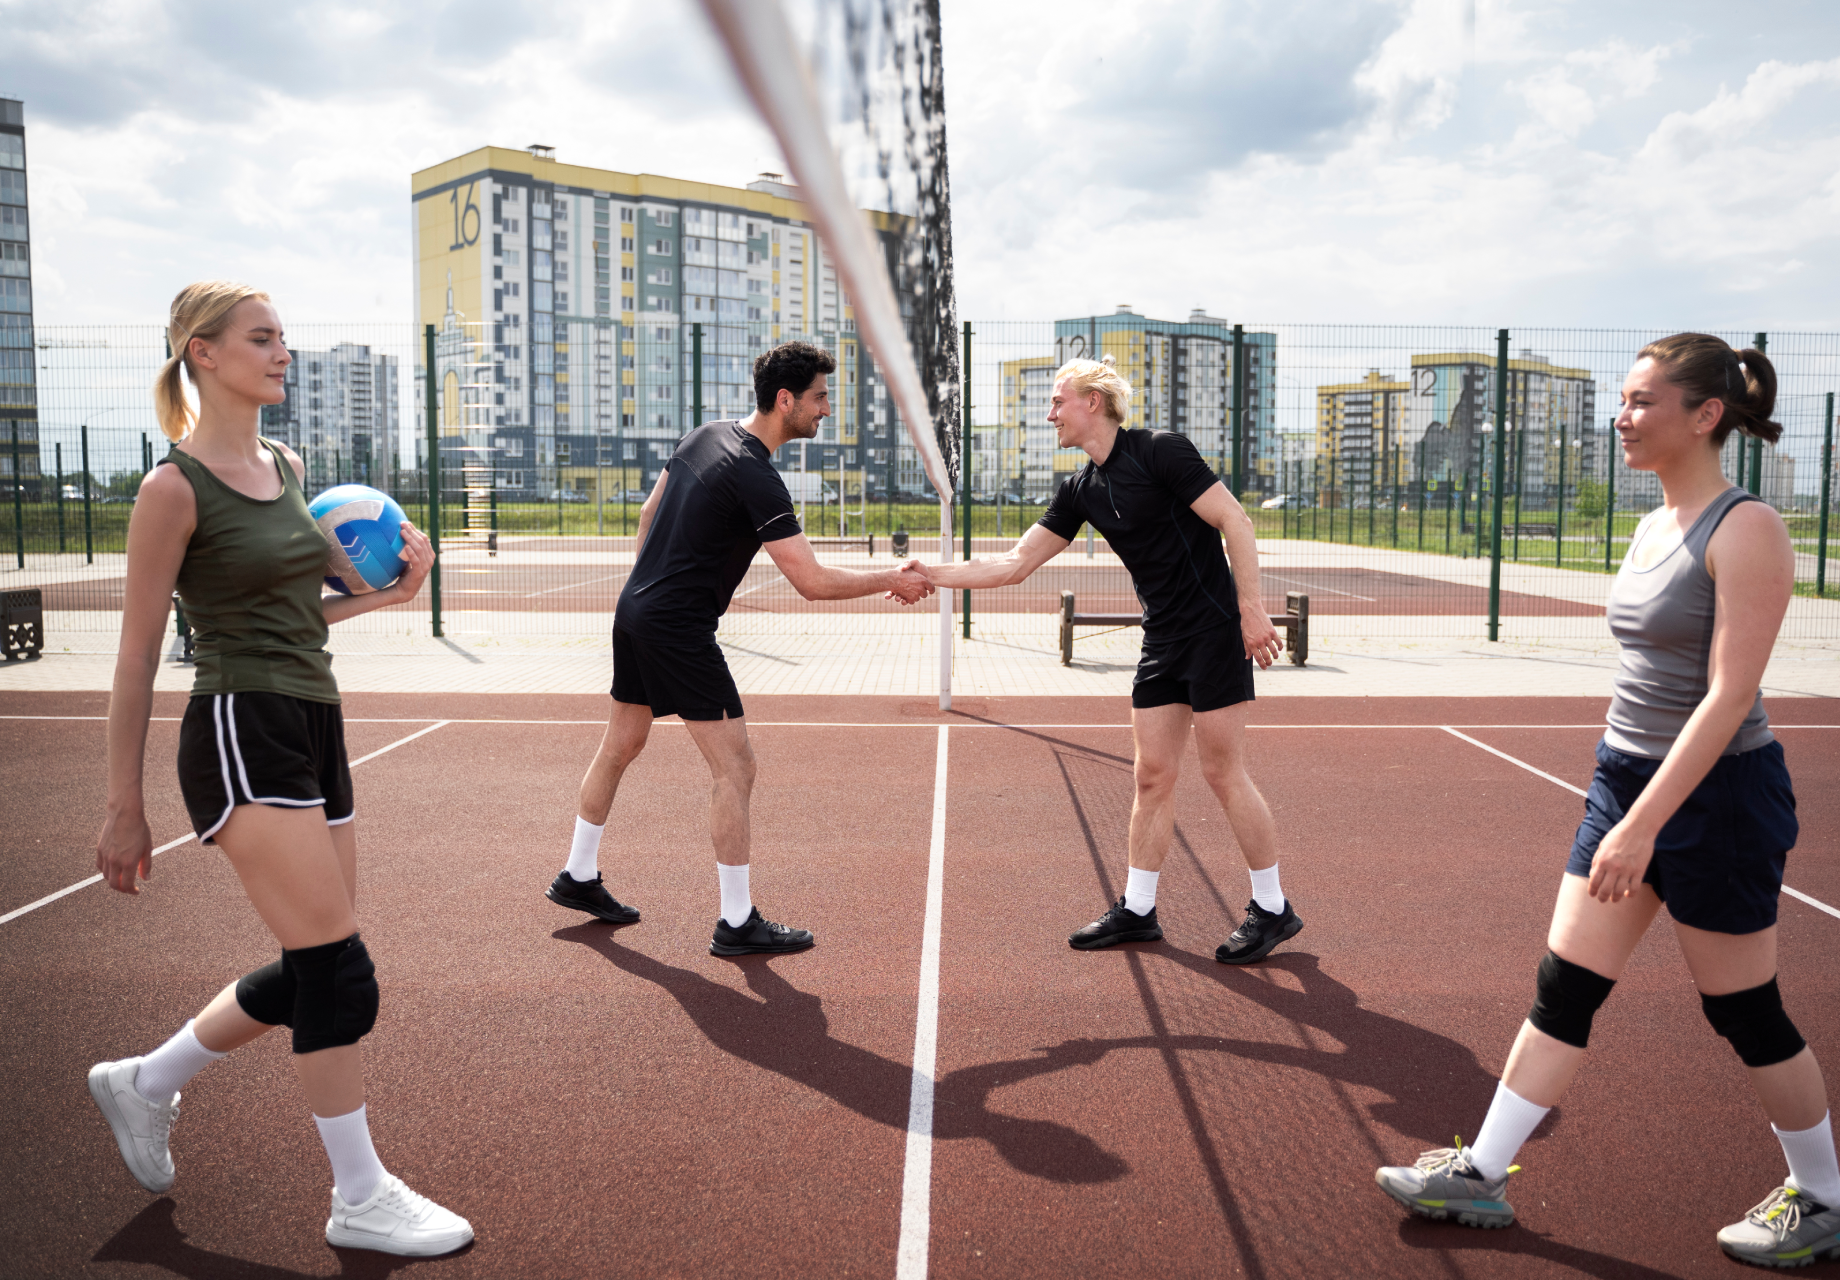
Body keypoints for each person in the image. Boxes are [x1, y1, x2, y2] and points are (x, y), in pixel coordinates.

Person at [1375, 335, 1840, 1268]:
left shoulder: (1747, 527)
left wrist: (1644, 826)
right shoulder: (1653, 523)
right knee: (1565, 989)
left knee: (1746, 1013)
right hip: (1624, 778)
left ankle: (1823, 1199)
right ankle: (1482, 1173)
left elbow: (1729, 698)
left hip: (1719, 797)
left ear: (1706, 415)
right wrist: (1624, 799)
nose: (1624, 416)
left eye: (1644, 401)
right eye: (1624, 398)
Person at [89, 282, 472, 1256]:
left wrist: (389, 597)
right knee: (342, 974)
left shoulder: (286, 465)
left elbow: (302, 610)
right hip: (236, 722)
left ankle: (147, 1080)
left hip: (313, 714)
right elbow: (136, 654)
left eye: (284, 338)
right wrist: (124, 805)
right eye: (261, 338)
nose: (282, 352)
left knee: (318, 965)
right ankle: (359, 1194)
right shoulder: (171, 488)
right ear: (201, 353)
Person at [909, 358, 1301, 963]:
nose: (1049, 414)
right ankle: (1139, 910)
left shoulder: (1161, 451)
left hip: (1214, 631)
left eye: (1057, 401)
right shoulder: (1080, 489)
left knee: (1224, 773)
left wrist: (1251, 609)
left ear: (1092, 401)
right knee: (1151, 776)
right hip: (1162, 640)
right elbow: (1013, 564)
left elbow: (1235, 521)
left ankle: (1273, 907)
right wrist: (927, 574)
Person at [546, 341, 932, 953]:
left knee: (620, 744)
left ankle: (579, 874)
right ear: (786, 400)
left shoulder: (704, 436)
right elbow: (811, 583)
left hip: (635, 609)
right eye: (820, 397)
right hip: (676, 627)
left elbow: (648, 513)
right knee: (736, 767)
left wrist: (647, 583)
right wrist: (892, 578)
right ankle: (735, 921)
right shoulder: (757, 476)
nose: (826, 410)